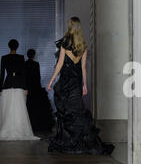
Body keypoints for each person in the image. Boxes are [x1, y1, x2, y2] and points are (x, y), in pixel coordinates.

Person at [47, 17, 114, 155]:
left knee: (66, 112)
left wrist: (51, 81)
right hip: (76, 83)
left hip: (65, 83)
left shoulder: (65, 43)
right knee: (78, 112)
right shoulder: (83, 45)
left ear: (70, 26)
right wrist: (84, 85)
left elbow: (60, 64)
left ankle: (68, 141)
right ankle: (80, 142)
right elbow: (83, 67)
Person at [0, 39, 39, 141]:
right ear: (17, 46)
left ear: (9, 46)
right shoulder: (20, 58)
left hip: (7, 84)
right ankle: (20, 130)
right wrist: (25, 87)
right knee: (19, 109)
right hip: (19, 84)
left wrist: (0, 88)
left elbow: (2, 74)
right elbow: (24, 74)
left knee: (8, 109)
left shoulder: (4, 58)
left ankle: (6, 131)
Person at [25, 49, 55, 132]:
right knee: (37, 106)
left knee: (29, 106)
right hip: (35, 87)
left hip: (28, 88)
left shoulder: (25, 64)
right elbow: (38, 77)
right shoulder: (36, 64)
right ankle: (38, 125)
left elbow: (24, 77)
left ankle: (30, 125)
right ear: (34, 55)